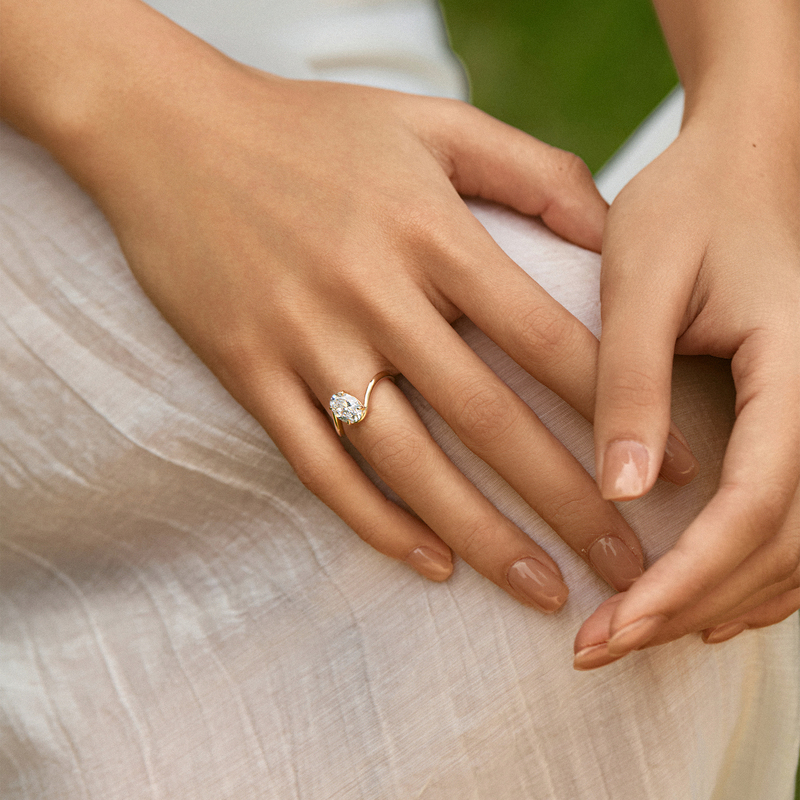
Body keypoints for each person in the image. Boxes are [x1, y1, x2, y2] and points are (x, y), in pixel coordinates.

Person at [0, 0, 798, 796]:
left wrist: (754, 135)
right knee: (579, 452)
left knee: (681, 441)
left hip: (340, 91)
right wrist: (162, 112)